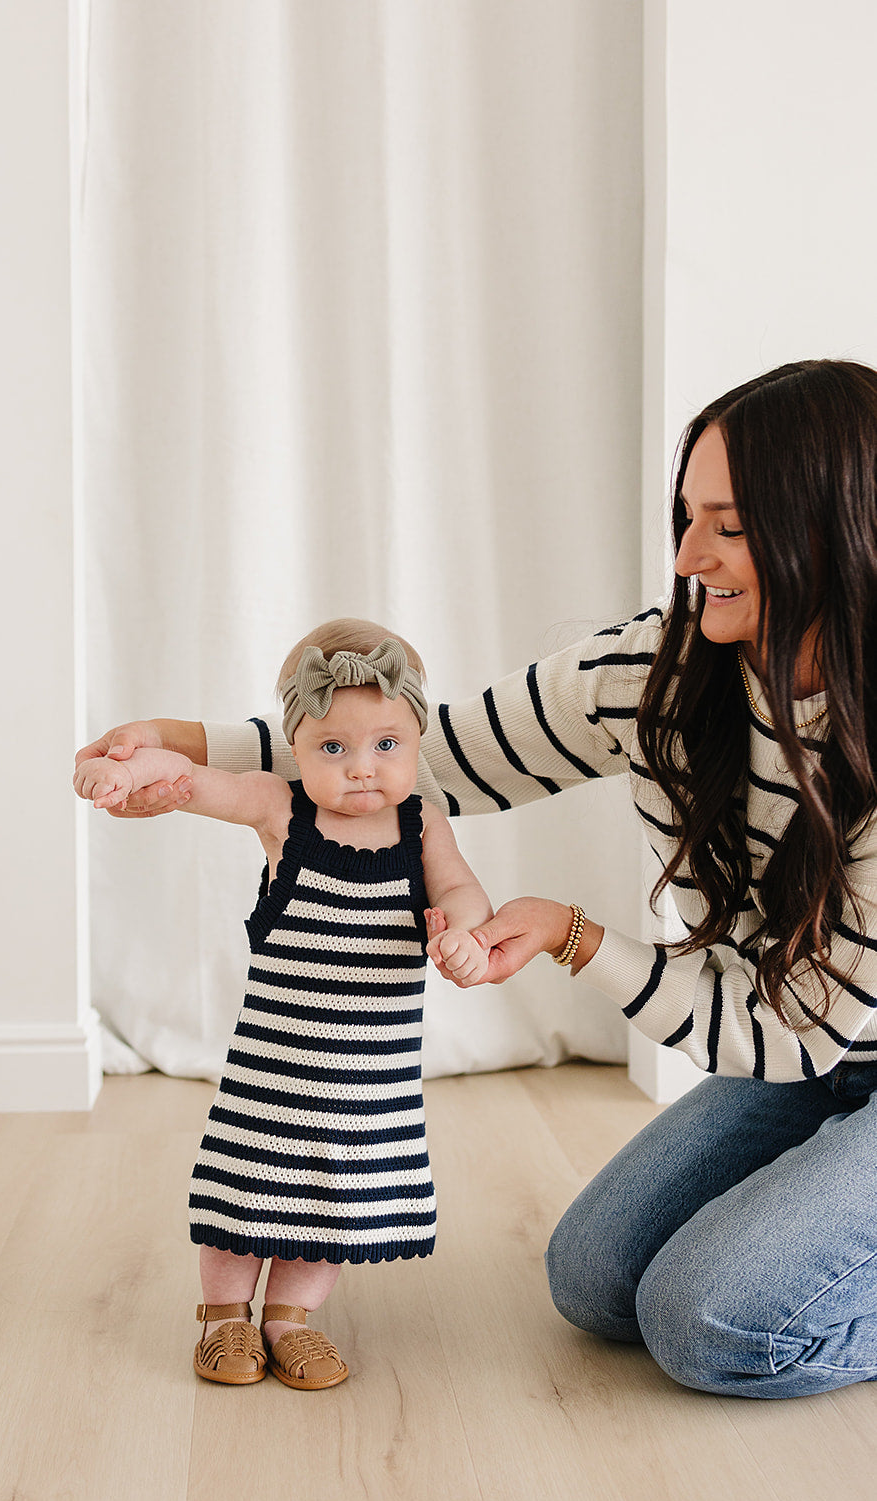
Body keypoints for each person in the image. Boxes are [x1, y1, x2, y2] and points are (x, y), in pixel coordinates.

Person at [78, 359, 877, 1400]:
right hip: (808, 1060)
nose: (686, 557)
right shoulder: (653, 670)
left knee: (709, 1323)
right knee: (594, 1282)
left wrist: (571, 935)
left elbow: (791, 1032)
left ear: (831, 528)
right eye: (686, 517)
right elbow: (425, 755)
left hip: (805, 1038)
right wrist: (178, 746)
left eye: (727, 527)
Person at [75, 620, 492, 1389]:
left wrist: (465, 932)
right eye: (333, 747)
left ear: (417, 741)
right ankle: (224, 1317)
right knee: (245, 1194)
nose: (361, 768)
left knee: (333, 1209)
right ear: (292, 747)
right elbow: (198, 782)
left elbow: (462, 889)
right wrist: (131, 771)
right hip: (274, 1072)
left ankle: (288, 1321)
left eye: (387, 745)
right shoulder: (281, 810)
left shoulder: (422, 825)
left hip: (367, 1083)